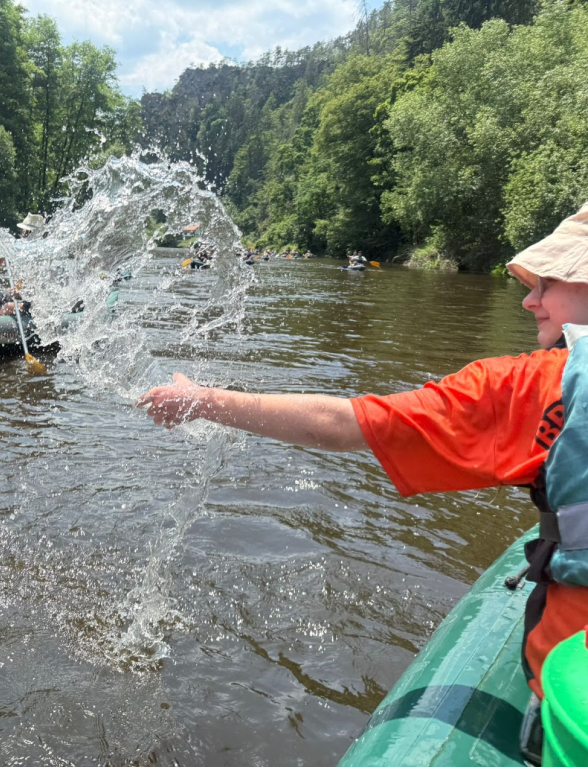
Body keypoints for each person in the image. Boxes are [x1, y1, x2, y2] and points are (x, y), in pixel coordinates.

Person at [136, 200, 588, 763]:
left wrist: (203, 401)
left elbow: (343, 424)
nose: (529, 298)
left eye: (548, 282)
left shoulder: (539, 386)